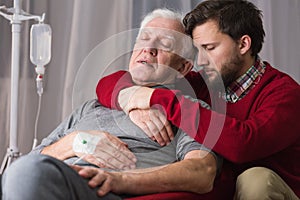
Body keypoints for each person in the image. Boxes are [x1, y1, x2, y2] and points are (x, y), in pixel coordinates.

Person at [1, 9, 222, 200]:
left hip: (103, 190)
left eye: (165, 44)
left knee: (27, 173)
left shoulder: (190, 108)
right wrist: (74, 143)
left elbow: (202, 172)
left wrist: (119, 179)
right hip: (51, 180)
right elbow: (33, 159)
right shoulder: (92, 107)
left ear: (183, 68)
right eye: (143, 39)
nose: (149, 48)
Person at [96, 1, 300, 199]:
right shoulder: (205, 81)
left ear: (243, 44)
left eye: (209, 48)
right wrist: (132, 97)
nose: (200, 61)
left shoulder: (285, 94)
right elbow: (110, 82)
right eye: (197, 51)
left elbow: (243, 145)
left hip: (275, 191)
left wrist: (156, 97)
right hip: (223, 192)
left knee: (255, 180)